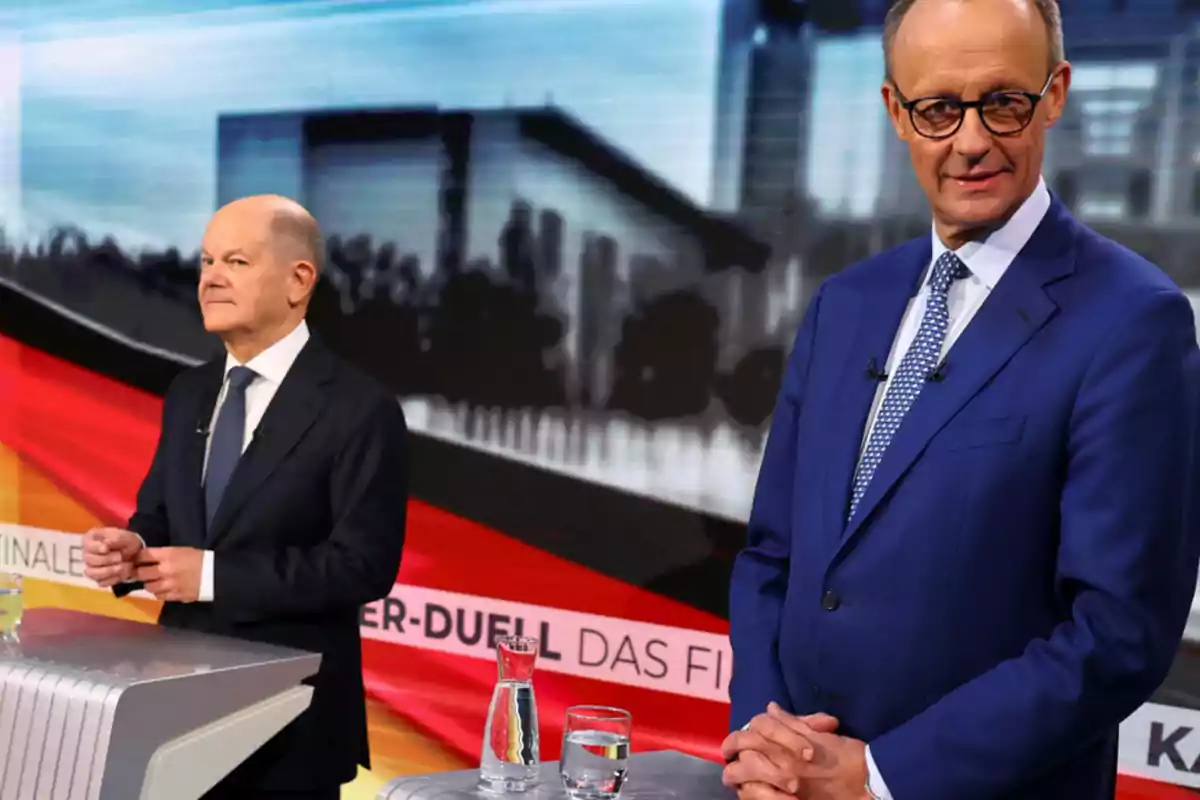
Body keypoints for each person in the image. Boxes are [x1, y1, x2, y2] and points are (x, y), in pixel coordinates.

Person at [722, 1, 1200, 798]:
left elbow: (1117, 634)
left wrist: (876, 778)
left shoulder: (1133, 321)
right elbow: (773, 557)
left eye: (1004, 102)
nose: (972, 141)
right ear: (895, 112)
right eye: (940, 109)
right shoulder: (845, 304)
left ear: (1055, 93)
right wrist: (766, 742)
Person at [81, 194, 409, 799]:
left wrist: (211, 576)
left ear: (298, 280)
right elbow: (160, 515)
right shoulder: (188, 391)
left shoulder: (360, 409)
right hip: (175, 711)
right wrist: (132, 548)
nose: (210, 278)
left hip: (291, 724)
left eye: (235, 260)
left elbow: (362, 566)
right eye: (206, 261)